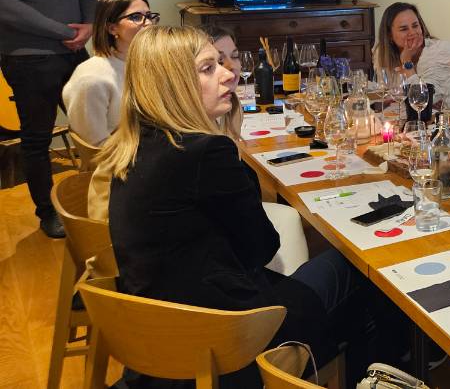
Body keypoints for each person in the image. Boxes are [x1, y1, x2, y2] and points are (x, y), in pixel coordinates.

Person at [97, 26, 408, 387]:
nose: (229, 74)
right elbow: (261, 248)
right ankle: (385, 370)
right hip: (229, 343)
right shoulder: (205, 153)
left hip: (160, 340)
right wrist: (229, 140)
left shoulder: (135, 146)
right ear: (173, 85)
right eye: (208, 68)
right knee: (360, 267)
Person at [0, 0, 97, 238]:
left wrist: (89, 25)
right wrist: (66, 33)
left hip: (75, 51)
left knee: (96, 129)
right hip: (29, 59)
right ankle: (48, 212)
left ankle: (101, 197)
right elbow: (7, 7)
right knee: (37, 139)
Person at [63, 0, 158, 146]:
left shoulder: (145, 63)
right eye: (136, 17)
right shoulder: (92, 78)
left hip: (147, 141)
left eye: (149, 16)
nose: (148, 23)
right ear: (112, 28)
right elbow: (95, 144)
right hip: (121, 154)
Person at [373, 1, 450, 106]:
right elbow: (389, 93)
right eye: (404, 29)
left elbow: (421, 100)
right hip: (410, 114)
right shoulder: (384, 53)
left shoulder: (440, 51)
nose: (413, 33)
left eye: (415, 26)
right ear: (390, 35)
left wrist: (407, 62)